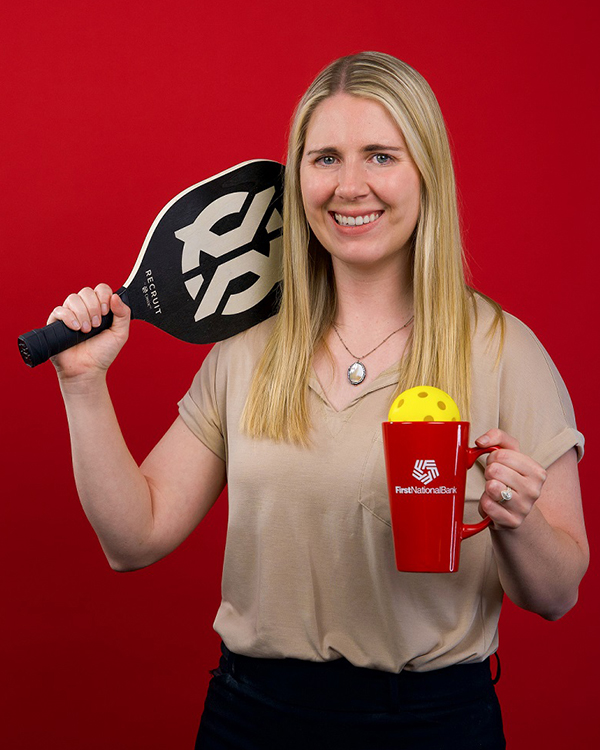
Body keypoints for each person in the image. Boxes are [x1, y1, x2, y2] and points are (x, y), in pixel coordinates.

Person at [47, 52, 588, 749]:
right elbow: (134, 538)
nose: (350, 186)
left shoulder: (504, 351)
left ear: (427, 174)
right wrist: (83, 384)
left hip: (433, 725)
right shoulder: (245, 349)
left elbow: (557, 594)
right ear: (297, 175)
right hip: (252, 719)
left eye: (381, 156)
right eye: (325, 158)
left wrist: (518, 520)